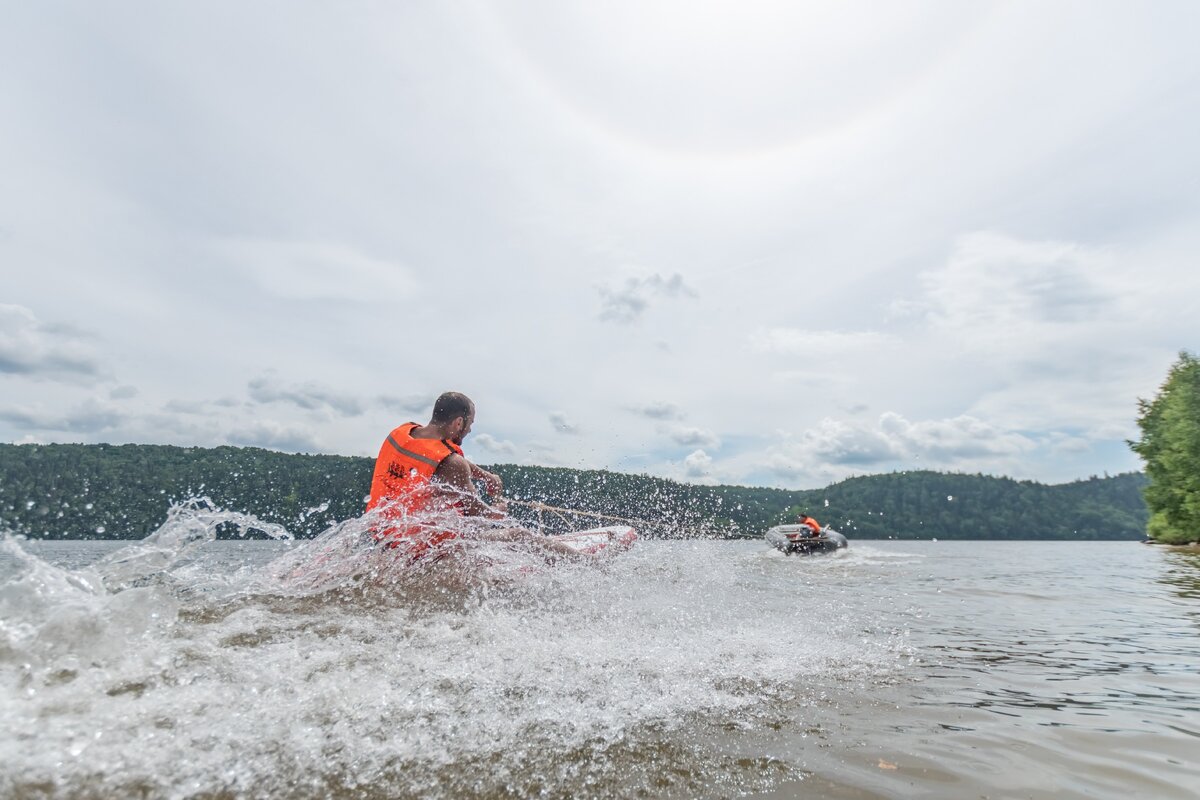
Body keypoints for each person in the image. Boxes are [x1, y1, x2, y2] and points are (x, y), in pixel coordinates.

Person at [366, 391, 582, 561]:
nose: (469, 430)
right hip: (422, 552)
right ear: (459, 423)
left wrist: (485, 475)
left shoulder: (401, 433)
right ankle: (589, 563)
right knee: (519, 535)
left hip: (385, 538)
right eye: (470, 424)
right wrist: (497, 506)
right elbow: (479, 519)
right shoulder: (452, 464)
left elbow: (437, 456)